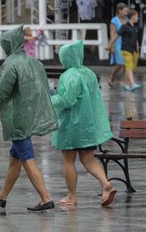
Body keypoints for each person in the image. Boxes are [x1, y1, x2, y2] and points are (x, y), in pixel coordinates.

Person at [0, 26, 58, 212]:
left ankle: (46, 198)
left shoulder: (11, 64)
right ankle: (2, 196)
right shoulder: (35, 63)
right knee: (15, 159)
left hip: (16, 119)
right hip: (29, 116)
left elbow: (1, 91)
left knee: (27, 159)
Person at [50, 41, 116, 207]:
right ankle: (105, 183)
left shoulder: (68, 75)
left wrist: (49, 97)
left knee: (68, 161)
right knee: (88, 159)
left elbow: (66, 100)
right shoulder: (89, 73)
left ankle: (71, 196)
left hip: (70, 126)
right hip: (88, 125)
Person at [107, 10, 141, 91]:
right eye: (136, 16)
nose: (138, 18)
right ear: (132, 16)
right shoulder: (124, 26)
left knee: (129, 67)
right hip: (126, 50)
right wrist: (110, 45)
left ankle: (126, 84)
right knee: (128, 66)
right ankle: (132, 84)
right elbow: (116, 36)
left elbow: (135, 40)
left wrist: (137, 51)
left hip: (133, 51)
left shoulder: (134, 28)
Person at [107, 3, 128, 87]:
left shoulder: (127, 19)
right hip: (117, 42)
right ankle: (112, 77)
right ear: (120, 11)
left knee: (126, 63)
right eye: (125, 11)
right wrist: (112, 46)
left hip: (126, 42)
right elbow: (112, 33)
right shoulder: (114, 20)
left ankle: (125, 81)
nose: (126, 13)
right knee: (120, 62)